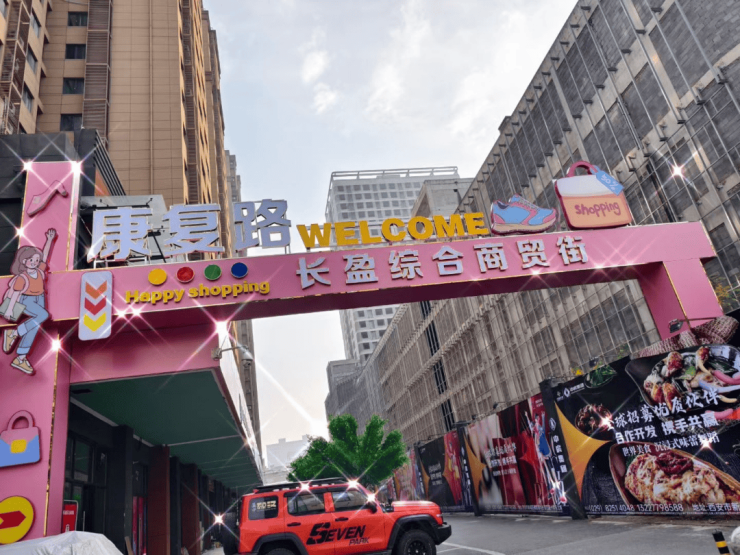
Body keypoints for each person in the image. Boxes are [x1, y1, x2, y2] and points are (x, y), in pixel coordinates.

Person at [2, 229, 56, 375]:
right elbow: (15, 295)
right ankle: (14, 333)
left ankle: (21, 357)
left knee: (34, 327)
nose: (34, 262)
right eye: (31, 260)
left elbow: (44, 256)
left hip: (40, 298)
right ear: (24, 261)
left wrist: (49, 240)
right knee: (43, 315)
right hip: (26, 300)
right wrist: (9, 310)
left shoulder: (39, 271)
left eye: (36, 260)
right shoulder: (22, 277)